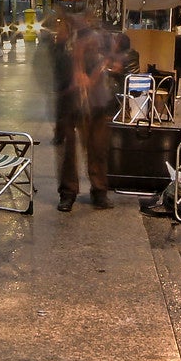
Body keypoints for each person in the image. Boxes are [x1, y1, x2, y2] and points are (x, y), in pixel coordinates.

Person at [58, 11, 129, 211]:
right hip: (71, 103)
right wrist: (76, 73)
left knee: (98, 148)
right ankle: (68, 193)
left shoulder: (103, 39)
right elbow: (62, 65)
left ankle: (99, 192)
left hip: (97, 101)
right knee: (69, 152)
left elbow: (115, 62)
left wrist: (108, 67)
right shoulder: (66, 40)